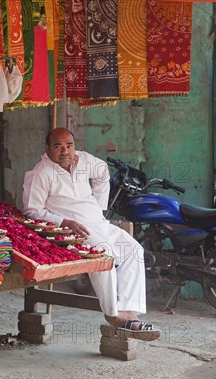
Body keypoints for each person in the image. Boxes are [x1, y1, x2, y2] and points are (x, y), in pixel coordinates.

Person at [22, 127, 160, 341]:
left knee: (133, 249)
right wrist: (64, 221)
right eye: (58, 146)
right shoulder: (41, 173)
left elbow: (103, 172)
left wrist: (98, 205)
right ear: (47, 148)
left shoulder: (84, 161)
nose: (65, 151)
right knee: (102, 256)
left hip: (98, 222)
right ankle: (113, 314)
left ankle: (129, 311)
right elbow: (32, 210)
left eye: (69, 145)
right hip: (72, 232)